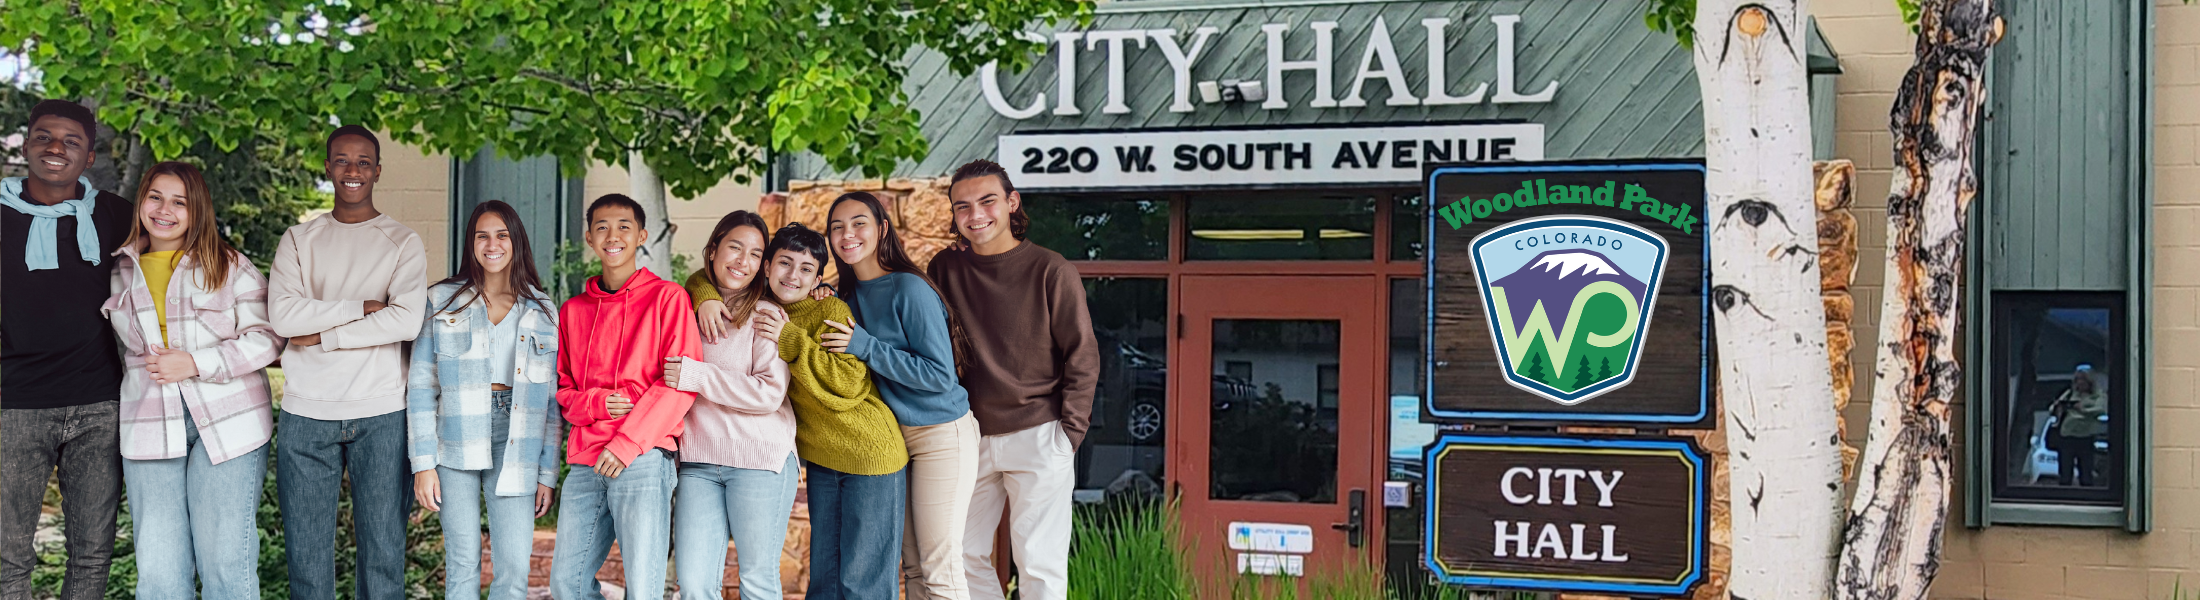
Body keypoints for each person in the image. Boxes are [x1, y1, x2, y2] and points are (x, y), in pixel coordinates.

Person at [102, 161, 284, 600]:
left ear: (197, 210)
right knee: (159, 572)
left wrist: (198, 363)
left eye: (180, 202)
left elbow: (269, 337)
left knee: (226, 563)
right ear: (141, 201)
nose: (165, 210)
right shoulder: (118, 269)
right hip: (148, 424)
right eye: (155, 197)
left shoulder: (229, 264)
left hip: (229, 424)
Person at [268, 125, 428, 600]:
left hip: (380, 412)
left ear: (377, 170)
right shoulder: (299, 240)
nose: (352, 170)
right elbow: (283, 316)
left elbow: (405, 321)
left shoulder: (402, 241)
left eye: (363, 162)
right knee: (307, 560)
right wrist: (360, 306)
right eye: (342, 160)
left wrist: (322, 336)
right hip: (306, 414)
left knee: (382, 558)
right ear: (327, 168)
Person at [928, 160, 1098, 600]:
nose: (975, 215)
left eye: (987, 201)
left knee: (1039, 565)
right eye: (962, 206)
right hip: (968, 434)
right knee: (960, 555)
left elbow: (1082, 354)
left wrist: (1069, 433)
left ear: (1011, 202)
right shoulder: (945, 268)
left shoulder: (1051, 269)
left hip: (1040, 433)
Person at [0, 100, 137, 600]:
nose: (56, 148)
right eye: (44, 137)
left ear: (90, 156)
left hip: (100, 404)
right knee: (7, 556)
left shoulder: (115, 214)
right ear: (28, 143)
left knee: (92, 552)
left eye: (71, 141)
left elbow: (178, 258)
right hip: (13, 406)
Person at [823, 192, 979, 600]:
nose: (847, 234)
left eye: (859, 223)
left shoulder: (908, 288)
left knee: (939, 569)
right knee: (911, 568)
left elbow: (940, 376)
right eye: (837, 227)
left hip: (941, 434)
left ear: (882, 230)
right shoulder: (848, 295)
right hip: (894, 440)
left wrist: (865, 345)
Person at [406, 201, 563, 600]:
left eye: (502, 235)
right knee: (463, 562)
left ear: (516, 242)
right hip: (454, 435)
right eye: (482, 236)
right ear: (471, 243)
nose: (492, 244)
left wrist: (547, 472)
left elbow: (550, 402)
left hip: (518, 438)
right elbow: (422, 386)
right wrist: (423, 464)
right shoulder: (441, 300)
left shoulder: (543, 309)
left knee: (513, 567)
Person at [548, 194, 701, 600]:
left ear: (641, 236)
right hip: (586, 460)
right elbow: (564, 388)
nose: (612, 236)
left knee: (644, 588)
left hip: (645, 455)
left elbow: (680, 382)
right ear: (589, 237)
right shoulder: (573, 311)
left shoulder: (668, 298)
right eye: (602, 227)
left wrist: (627, 442)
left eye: (623, 227)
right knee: (568, 584)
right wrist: (597, 403)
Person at [747, 222, 907, 600]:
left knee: (861, 582)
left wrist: (791, 339)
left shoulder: (829, 307)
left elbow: (850, 381)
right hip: (822, 457)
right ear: (766, 266)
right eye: (785, 263)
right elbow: (705, 277)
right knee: (824, 580)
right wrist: (705, 296)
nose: (793, 276)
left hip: (869, 452)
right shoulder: (755, 304)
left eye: (806, 270)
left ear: (819, 277)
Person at [666, 211, 797, 600]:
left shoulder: (766, 314)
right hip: (698, 464)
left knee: (757, 584)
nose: (743, 261)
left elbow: (768, 393)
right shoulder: (685, 307)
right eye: (735, 248)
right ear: (713, 250)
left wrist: (697, 376)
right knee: (693, 585)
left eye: (756, 254)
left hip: (760, 461)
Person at [2052, 364, 2109, 487]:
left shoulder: (2097, 395)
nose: (2080, 383)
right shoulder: (2069, 393)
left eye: (2083, 379)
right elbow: (2053, 408)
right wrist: (2058, 406)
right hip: (2067, 435)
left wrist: (2082, 409)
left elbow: (2100, 410)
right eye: (2078, 380)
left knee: (2086, 473)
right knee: (2065, 473)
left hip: (2085, 437)